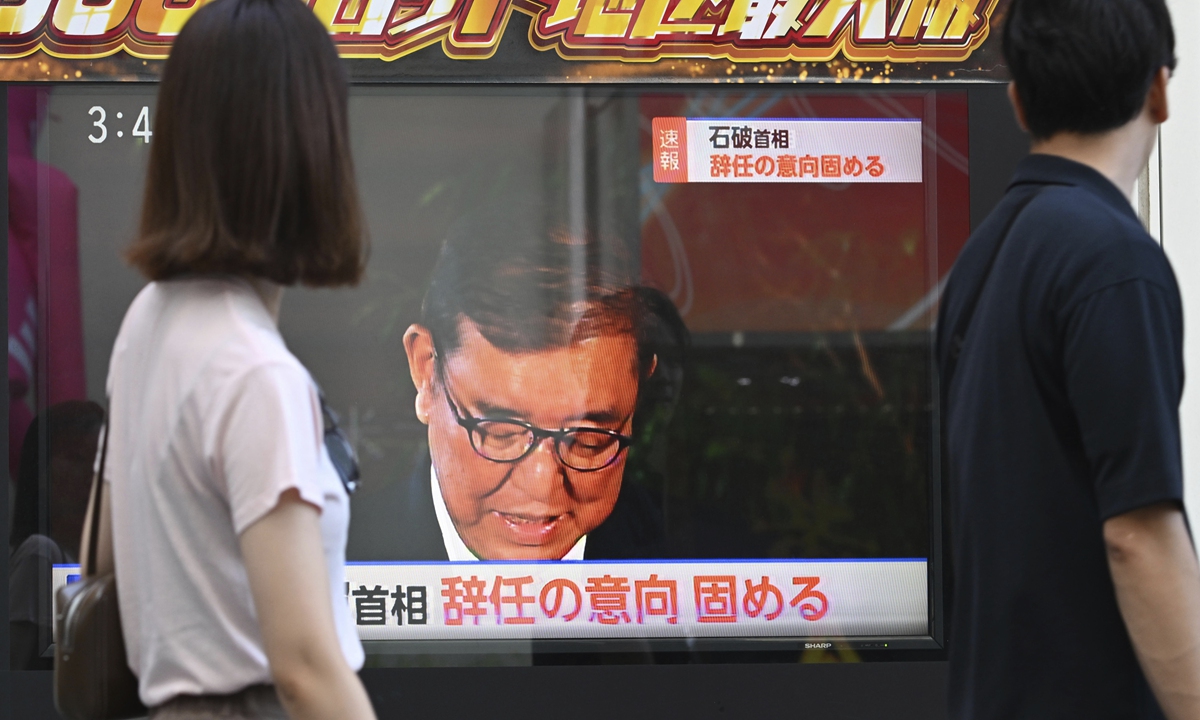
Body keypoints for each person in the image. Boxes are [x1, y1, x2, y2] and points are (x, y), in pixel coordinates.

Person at [83, 0, 377, 717]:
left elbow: (100, 558)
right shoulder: (256, 373)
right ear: (305, 150)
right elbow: (305, 668)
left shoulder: (148, 320)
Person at [937, 1, 1200, 718]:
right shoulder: (1112, 260)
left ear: (1020, 99)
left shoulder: (983, 257)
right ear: (1158, 90)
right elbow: (1139, 533)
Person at [397, 213, 677, 562]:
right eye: (500, 432)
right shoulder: (325, 562)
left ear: (638, 391)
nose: (541, 483)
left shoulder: (714, 563)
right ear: (427, 371)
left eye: (587, 438)